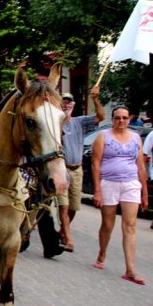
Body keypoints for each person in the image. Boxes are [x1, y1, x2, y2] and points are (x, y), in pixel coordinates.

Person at [91, 105, 148, 285]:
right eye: (117, 118)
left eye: (124, 118)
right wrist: (97, 190)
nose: (121, 121)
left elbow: (141, 165)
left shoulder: (136, 138)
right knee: (108, 224)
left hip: (131, 184)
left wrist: (145, 192)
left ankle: (130, 269)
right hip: (109, 183)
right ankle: (102, 254)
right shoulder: (103, 136)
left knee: (130, 225)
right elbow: (95, 163)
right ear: (113, 119)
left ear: (129, 119)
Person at [56, 88, 105, 252]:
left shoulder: (80, 122)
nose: (66, 105)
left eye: (69, 102)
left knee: (73, 207)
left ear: (73, 104)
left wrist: (95, 99)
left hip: (77, 169)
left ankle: (62, 232)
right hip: (61, 169)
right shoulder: (55, 123)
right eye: (63, 102)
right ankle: (68, 239)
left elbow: (101, 116)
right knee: (63, 205)